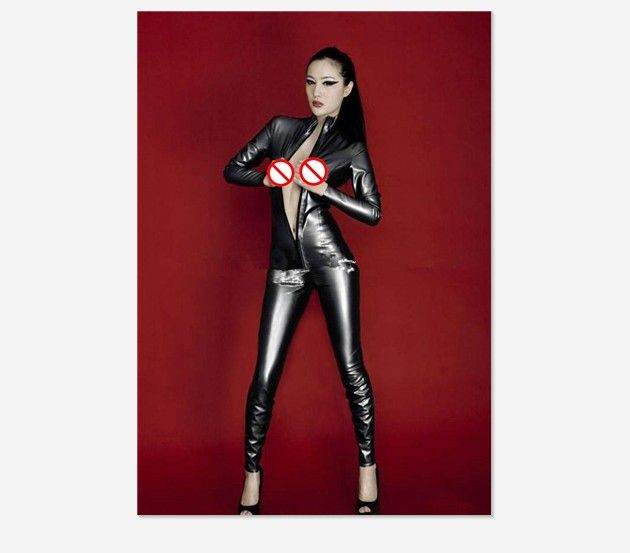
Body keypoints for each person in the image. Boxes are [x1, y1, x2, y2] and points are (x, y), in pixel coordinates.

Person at [223, 46, 382, 515]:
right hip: (286, 268)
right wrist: (267, 180)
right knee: (264, 375)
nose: (317, 91)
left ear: (347, 89)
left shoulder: (350, 147)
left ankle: (368, 470)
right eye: (311, 81)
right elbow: (232, 168)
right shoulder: (281, 129)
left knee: (351, 369)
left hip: (333, 263)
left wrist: (326, 189)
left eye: (328, 83)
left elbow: (373, 211)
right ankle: (252, 477)